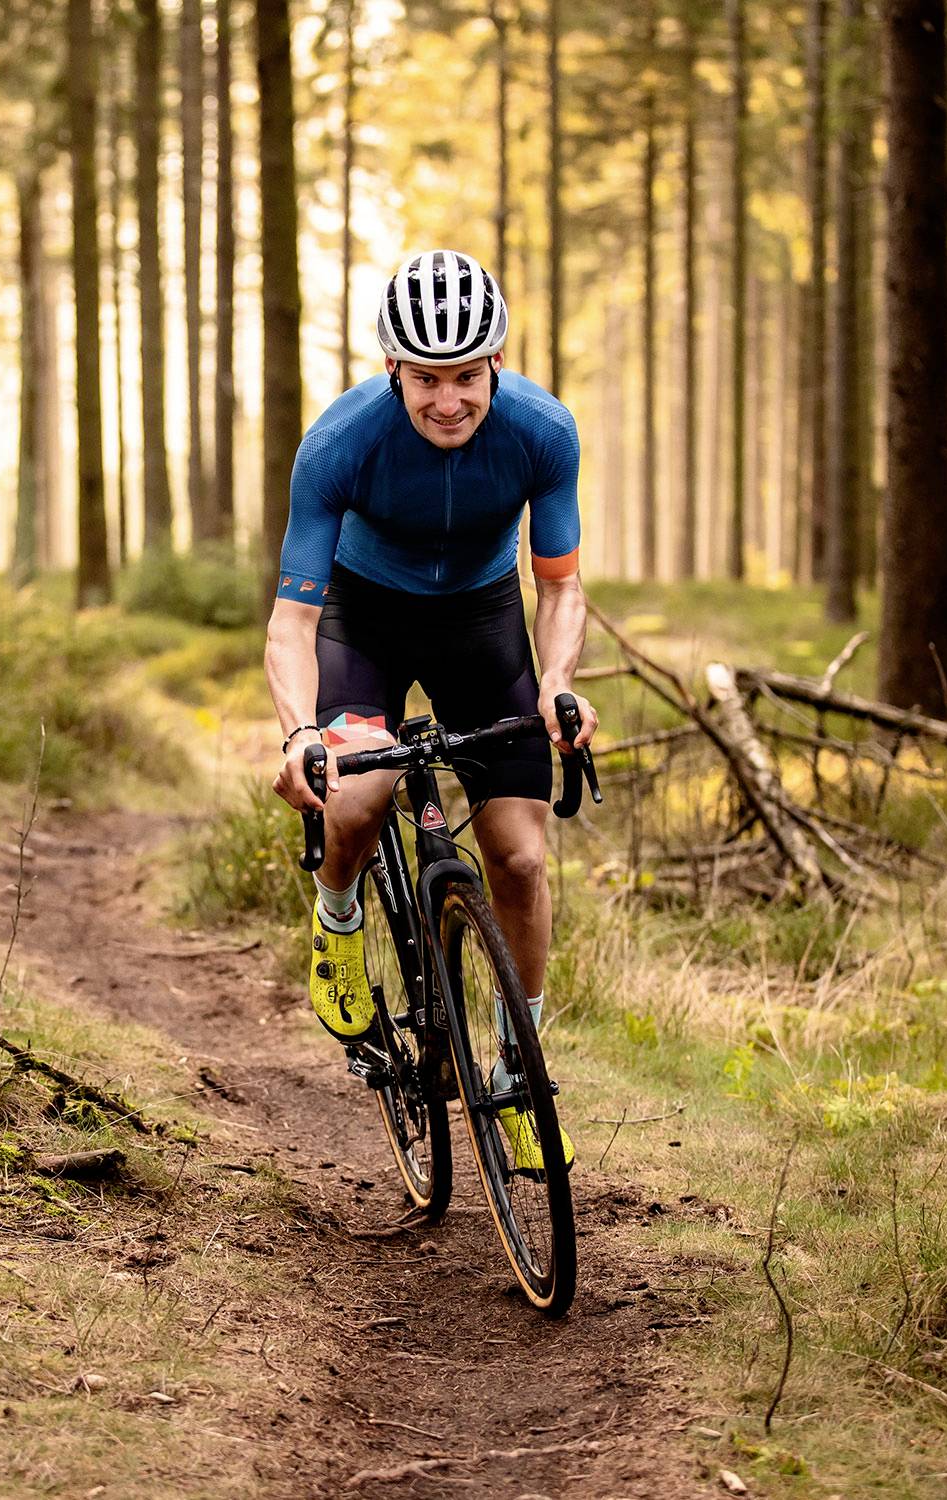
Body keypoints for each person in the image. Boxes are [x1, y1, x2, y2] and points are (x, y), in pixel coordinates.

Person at [263, 248, 596, 1171]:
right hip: (364, 621)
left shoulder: (543, 431)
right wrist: (300, 734)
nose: (448, 400)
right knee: (360, 800)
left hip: (483, 624)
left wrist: (559, 679)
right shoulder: (339, 442)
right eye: (425, 379)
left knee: (522, 861)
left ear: (495, 362)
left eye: (465, 376)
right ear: (392, 370)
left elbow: (560, 587)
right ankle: (336, 919)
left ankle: (516, 1070)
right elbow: (292, 621)